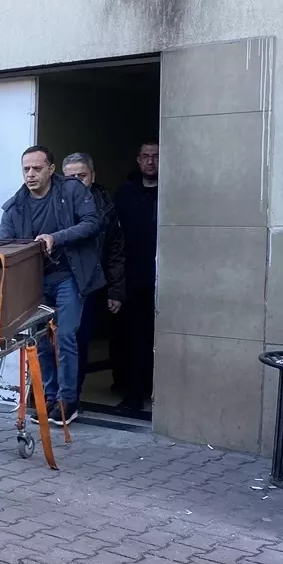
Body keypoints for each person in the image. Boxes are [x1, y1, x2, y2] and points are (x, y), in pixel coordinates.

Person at [0, 146, 102, 426]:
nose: (30, 174)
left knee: (65, 336)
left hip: (69, 276)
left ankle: (68, 402)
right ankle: (48, 399)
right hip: (36, 282)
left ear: (51, 170)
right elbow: (2, 244)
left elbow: (93, 223)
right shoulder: (15, 206)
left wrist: (56, 237)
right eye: (26, 169)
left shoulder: (71, 191)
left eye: (37, 168)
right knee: (41, 341)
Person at [61, 153, 125, 406]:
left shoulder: (105, 206)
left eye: (82, 176)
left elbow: (115, 250)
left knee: (78, 341)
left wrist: (116, 290)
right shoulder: (54, 203)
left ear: (93, 176)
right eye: (71, 177)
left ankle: (70, 398)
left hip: (89, 284)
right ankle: (51, 397)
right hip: (58, 283)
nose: (77, 182)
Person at [113, 141, 159, 412]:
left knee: (154, 337)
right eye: (146, 156)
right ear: (138, 160)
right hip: (131, 277)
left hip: (163, 277)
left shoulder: (171, 193)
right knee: (131, 337)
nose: (151, 162)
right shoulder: (125, 194)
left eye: (156, 156)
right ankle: (132, 392)